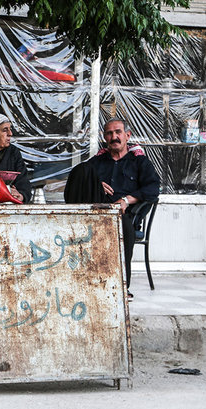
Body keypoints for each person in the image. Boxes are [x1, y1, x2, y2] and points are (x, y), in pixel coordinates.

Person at [65, 118, 160, 298]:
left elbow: (153, 189)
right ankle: (82, 279)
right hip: (96, 214)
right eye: (109, 133)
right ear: (105, 137)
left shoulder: (139, 162)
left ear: (127, 135)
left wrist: (126, 199)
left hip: (125, 216)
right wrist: (96, 183)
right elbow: (81, 179)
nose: (114, 137)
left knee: (122, 225)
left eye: (118, 132)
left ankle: (122, 286)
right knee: (81, 170)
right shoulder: (99, 161)